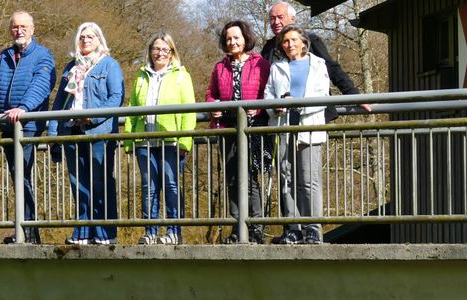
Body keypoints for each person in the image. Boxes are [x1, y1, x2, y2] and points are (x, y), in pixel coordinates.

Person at [0, 10, 56, 244]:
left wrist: (24, 107)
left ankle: (28, 231)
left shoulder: (43, 55)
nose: (18, 31)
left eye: (23, 27)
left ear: (32, 29)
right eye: (15, 27)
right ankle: (25, 229)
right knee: (15, 174)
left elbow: (43, 84)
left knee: (22, 174)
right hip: (8, 124)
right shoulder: (6, 55)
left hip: (27, 124)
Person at [50, 22, 124, 245]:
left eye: (91, 36)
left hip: (99, 131)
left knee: (101, 181)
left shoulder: (109, 65)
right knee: (78, 182)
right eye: (82, 37)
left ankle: (104, 232)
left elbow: (116, 97)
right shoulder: (71, 67)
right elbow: (60, 103)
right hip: (71, 130)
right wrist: (53, 132)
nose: (86, 40)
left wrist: (93, 117)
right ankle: (83, 232)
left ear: (99, 40)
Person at [124, 32, 196, 245]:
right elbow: (132, 108)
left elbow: (189, 111)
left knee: (171, 185)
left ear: (172, 52)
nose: (160, 53)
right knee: (149, 187)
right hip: (145, 141)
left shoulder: (181, 76)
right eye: (156, 48)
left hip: (171, 141)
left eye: (165, 49)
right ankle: (150, 231)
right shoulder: (141, 75)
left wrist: (185, 141)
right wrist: (129, 140)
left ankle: (174, 231)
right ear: (150, 51)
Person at [206, 20, 271, 244]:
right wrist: (212, 107)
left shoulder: (260, 63)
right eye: (228, 38)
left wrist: (259, 107)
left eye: (236, 37)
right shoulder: (220, 67)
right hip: (228, 128)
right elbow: (211, 93)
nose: (232, 42)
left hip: (252, 128)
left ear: (245, 39)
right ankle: (237, 228)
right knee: (232, 179)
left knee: (250, 178)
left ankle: (256, 227)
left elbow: (268, 92)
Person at [264, 24, 330, 244]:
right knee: (287, 179)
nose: (289, 44)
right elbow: (268, 95)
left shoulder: (318, 64)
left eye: (294, 40)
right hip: (283, 127)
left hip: (309, 127)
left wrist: (297, 105)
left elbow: (322, 95)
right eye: (285, 41)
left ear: (303, 42)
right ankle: (294, 229)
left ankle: (313, 228)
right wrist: (276, 106)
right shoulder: (277, 67)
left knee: (309, 180)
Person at [260, 1, 370, 121]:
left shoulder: (310, 40)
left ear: (292, 18)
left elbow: (332, 69)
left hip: (313, 115)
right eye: (272, 18)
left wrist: (354, 96)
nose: (276, 22)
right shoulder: (268, 48)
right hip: (281, 119)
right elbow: (265, 83)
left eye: (280, 17)